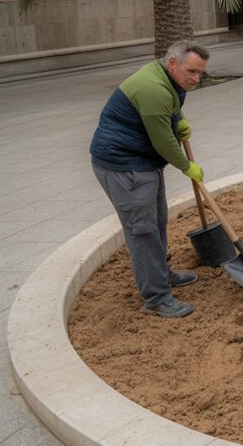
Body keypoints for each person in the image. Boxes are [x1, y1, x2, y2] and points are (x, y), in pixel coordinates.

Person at [89, 40, 209, 318]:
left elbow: (170, 106)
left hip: (142, 161)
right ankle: (156, 298)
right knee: (142, 231)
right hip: (124, 166)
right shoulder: (153, 88)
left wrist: (179, 118)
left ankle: (162, 274)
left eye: (200, 73)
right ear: (172, 63)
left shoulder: (166, 78)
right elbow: (163, 141)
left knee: (157, 221)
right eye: (192, 71)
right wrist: (186, 166)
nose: (196, 79)